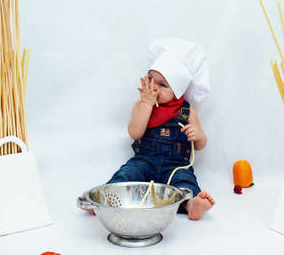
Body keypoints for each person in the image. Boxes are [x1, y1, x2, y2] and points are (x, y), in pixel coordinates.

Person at [84, 37, 215, 220]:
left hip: (175, 166)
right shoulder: (141, 105)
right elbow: (135, 132)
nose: (153, 87)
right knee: (126, 174)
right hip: (144, 162)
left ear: (177, 91)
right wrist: (146, 104)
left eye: (162, 85)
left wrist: (198, 136)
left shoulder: (187, 111)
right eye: (151, 79)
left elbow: (200, 145)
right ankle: (104, 200)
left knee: (185, 182)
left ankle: (191, 204)